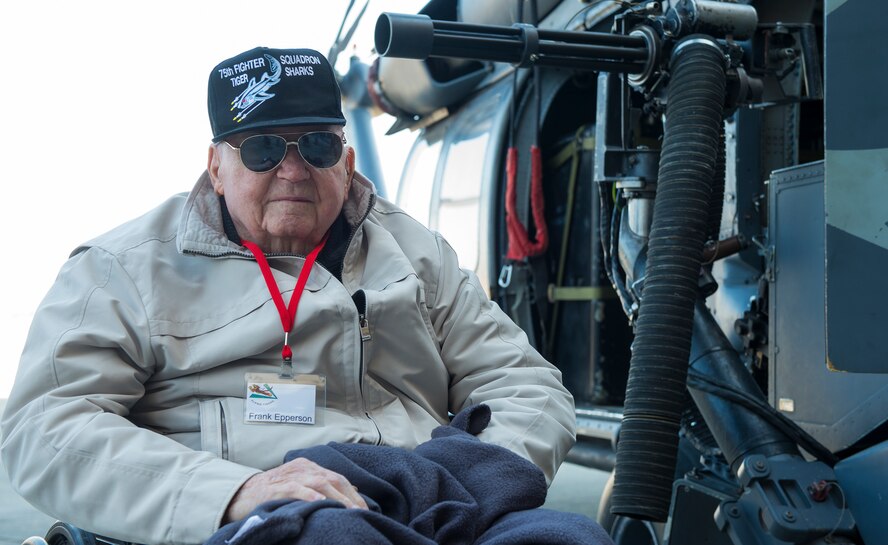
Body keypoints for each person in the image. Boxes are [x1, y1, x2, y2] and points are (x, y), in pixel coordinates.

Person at [0, 47, 576, 545]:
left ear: (347, 164)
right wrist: (232, 493)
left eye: (319, 147)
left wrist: (478, 477)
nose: (294, 170)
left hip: (438, 499)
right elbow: (45, 427)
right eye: (262, 149)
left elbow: (524, 382)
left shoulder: (416, 251)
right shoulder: (121, 270)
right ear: (216, 167)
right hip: (267, 516)